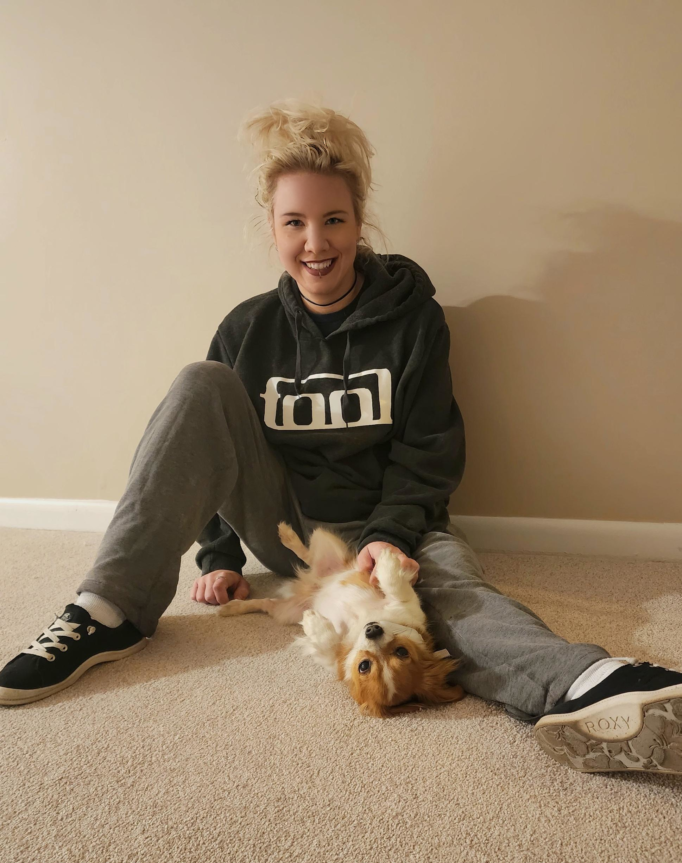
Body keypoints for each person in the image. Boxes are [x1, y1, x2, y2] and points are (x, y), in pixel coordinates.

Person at [2, 101, 681, 775]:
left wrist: (390, 535)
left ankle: (590, 687)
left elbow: (429, 449)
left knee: (453, 599)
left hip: (399, 526)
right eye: (294, 222)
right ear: (271, 228)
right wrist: (218, 556)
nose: (316, 243)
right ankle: (107, 608)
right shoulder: (247, 330)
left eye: (334, 220)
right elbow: (210, 450)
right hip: (294, 534)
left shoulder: (415, 323)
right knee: (201, 382)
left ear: (360, 222)